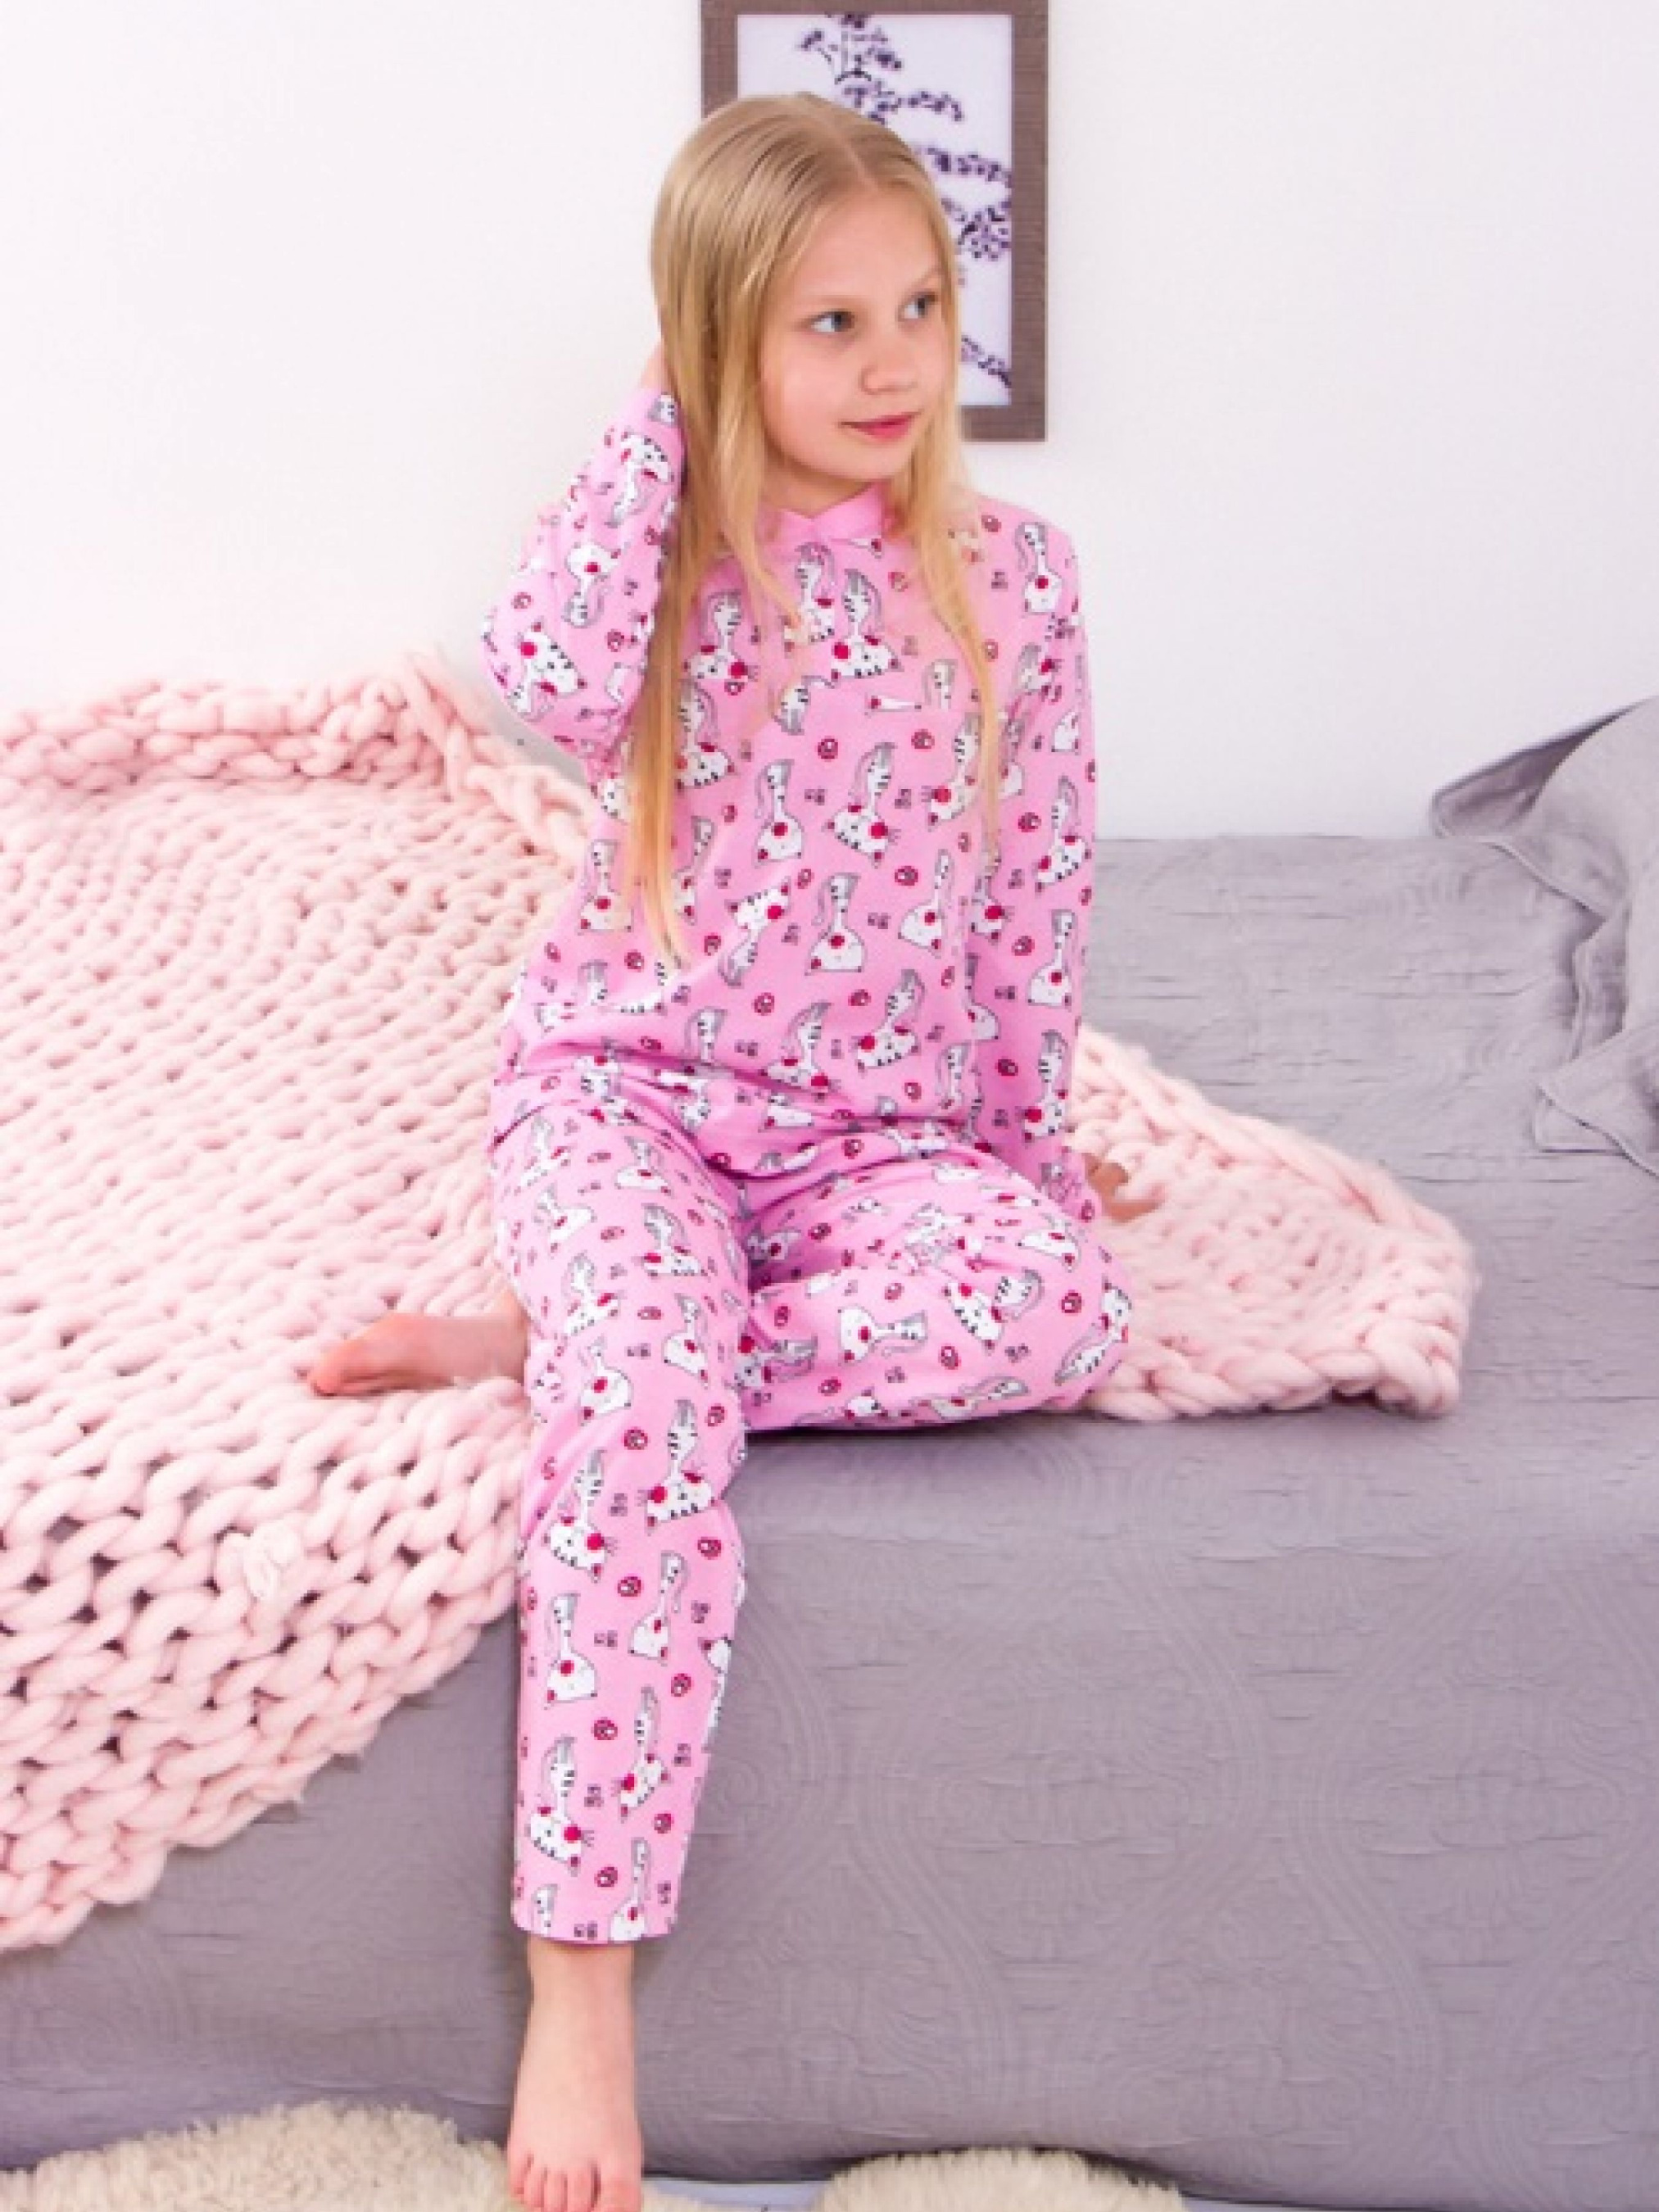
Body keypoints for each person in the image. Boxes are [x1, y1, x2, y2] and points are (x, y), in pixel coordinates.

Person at [308, 89, 1145, 2212]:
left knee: (1062, 1300)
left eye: (921, 307)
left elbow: (1029, 910)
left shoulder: (1018, 584)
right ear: (713, 347)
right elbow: (532, 674)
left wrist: (1025, 1162)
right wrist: (666, 424)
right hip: (631, 1103)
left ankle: (602, 1353)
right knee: (645, 1441)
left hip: (868, 1140)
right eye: (827, 323)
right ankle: (584, 1987)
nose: (892, 363)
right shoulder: (666, 570)